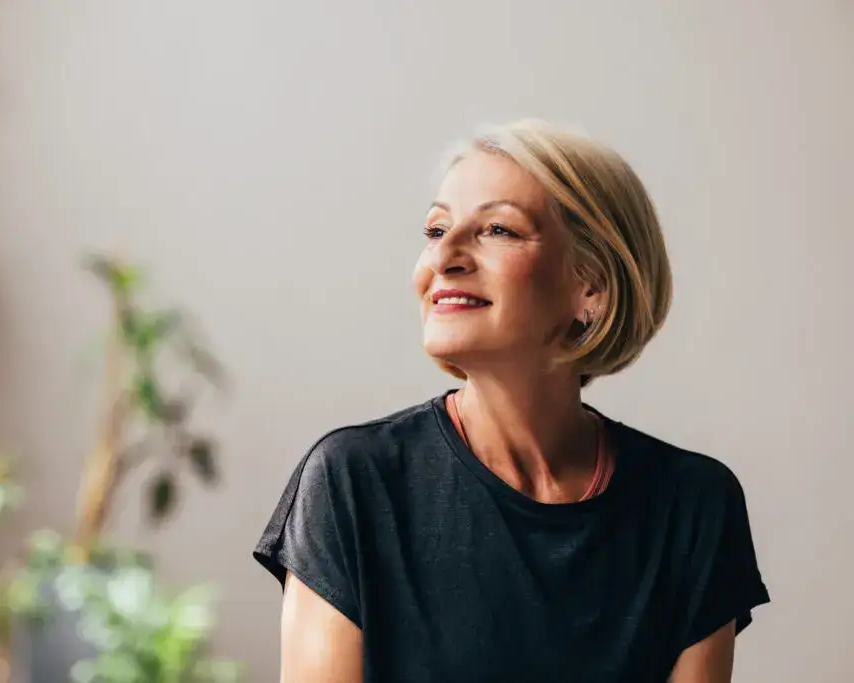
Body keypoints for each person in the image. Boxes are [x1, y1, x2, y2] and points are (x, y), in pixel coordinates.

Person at [253, 119, 770, 683]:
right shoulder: (352, 481)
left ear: (590, 285)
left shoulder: (692, 506)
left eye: (498, 229)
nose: (444, 256)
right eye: (435, 229)